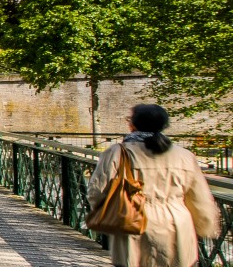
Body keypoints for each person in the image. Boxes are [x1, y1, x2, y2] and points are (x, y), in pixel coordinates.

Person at [87, 104, 220, 267]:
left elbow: (97, 191)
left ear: (133, 125)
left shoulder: (118, 152)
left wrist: (106, 214)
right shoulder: (184, 156)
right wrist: (206, 226)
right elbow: (200, 198)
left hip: (131, 222)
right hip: (176, 224)